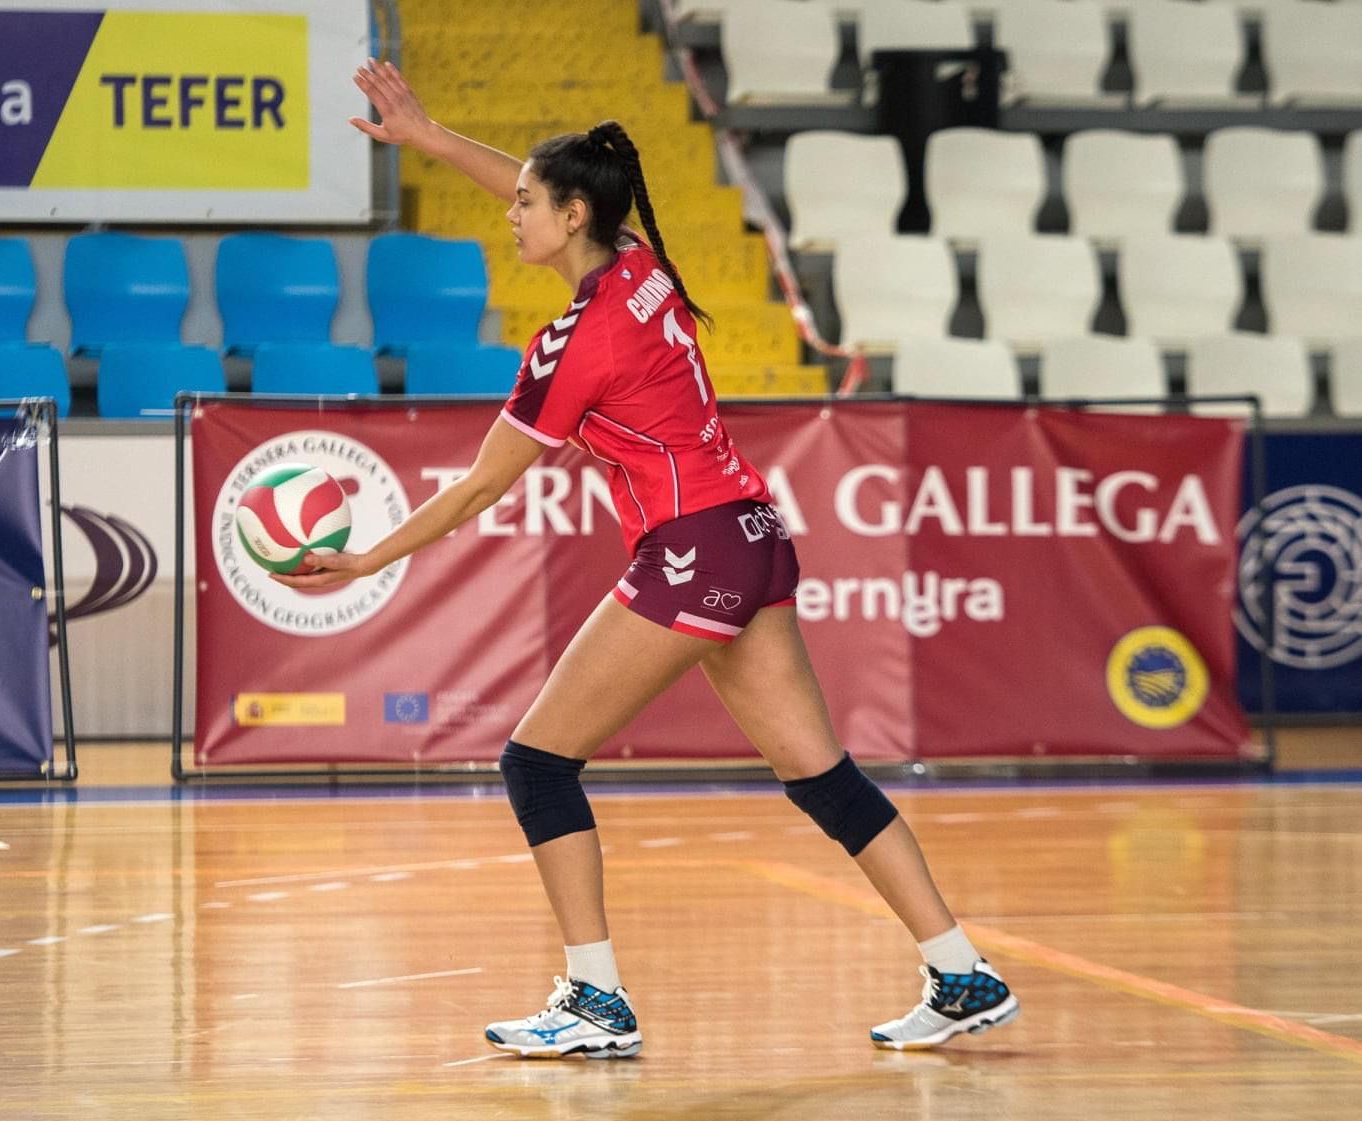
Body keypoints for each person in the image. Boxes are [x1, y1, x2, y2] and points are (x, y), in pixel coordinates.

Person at [274, 58, 1021, 1059]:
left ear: (572, 213)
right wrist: (434, 139)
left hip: (693, 551)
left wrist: (367, 560)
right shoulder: (640, 266)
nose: (512, 213)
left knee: (534, 762)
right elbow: (535, 192)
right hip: (753, 535)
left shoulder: (574, 341)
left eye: (528, 202)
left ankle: (593, 998)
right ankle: (958, 967)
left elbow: (480, 486)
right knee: (820, 775)